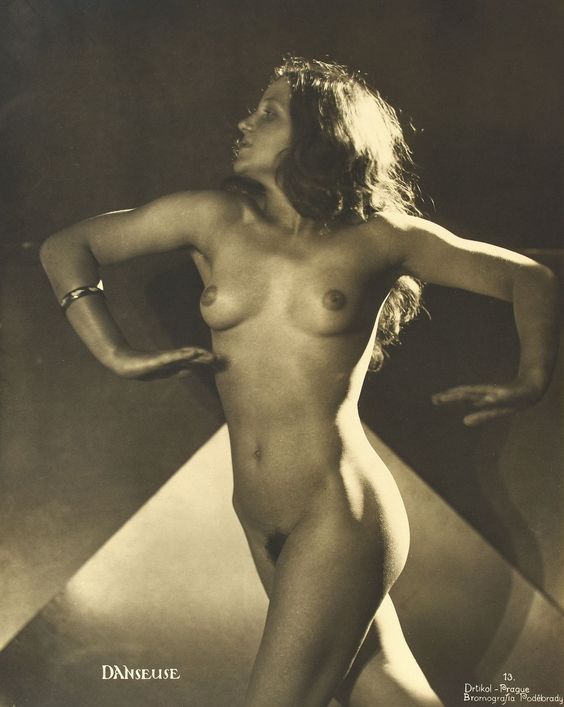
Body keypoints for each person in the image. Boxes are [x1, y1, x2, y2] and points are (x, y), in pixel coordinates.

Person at [40, 57, 558, 707]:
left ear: (323, 132)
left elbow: (529, 280)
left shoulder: (382, 237)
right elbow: (66, 247)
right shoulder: (211, 218)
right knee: (385, 690)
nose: (246, 123)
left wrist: (530, 379)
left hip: (336, 515)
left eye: (269, 113)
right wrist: (115, 353)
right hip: (258, 511)